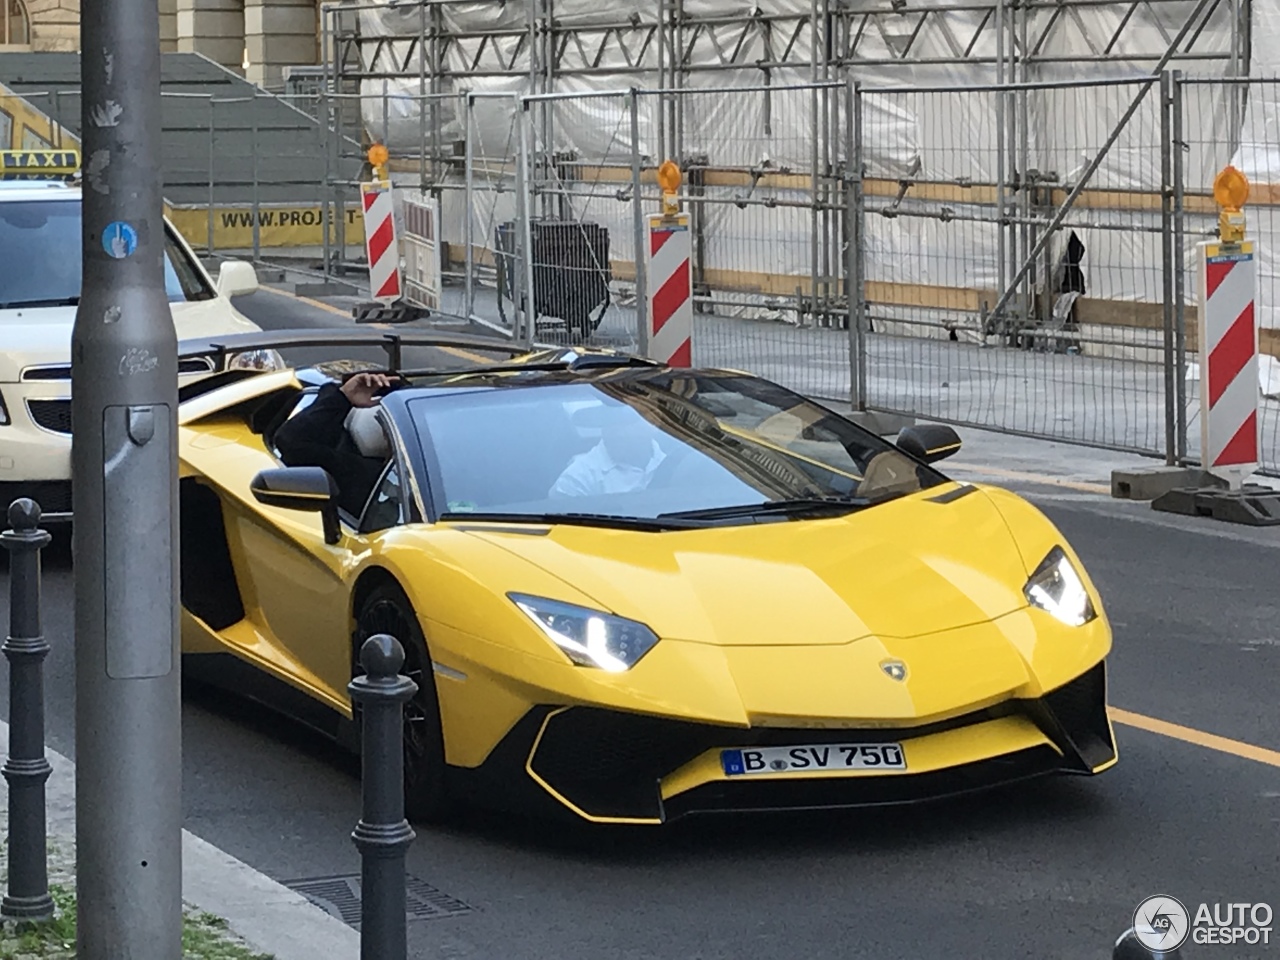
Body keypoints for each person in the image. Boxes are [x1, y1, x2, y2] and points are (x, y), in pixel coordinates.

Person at [274, 371, 396, 516]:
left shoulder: (428, 481)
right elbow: (291, 442)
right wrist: (343, 397)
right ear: (386, 431)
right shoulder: (361, 474)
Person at [549, 403, 666, 498]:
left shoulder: (677, 462)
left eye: (628, 421)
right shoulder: (578, 478)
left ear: (653, 424)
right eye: (612, 422)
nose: (619, 432)